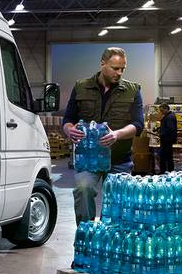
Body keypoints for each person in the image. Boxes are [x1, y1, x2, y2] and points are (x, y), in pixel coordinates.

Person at [61, 47, 143, 225]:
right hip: (89, 159)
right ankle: (86, 233)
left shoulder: (132, 90)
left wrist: (117, 134)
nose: (119, 73)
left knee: (119, 202)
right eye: (115, 68)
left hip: (119, 159)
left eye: (122, 69)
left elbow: (138, 124)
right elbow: (68, 119)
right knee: (83, 190)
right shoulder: (81, 87)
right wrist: (69, 130)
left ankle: (112, 236)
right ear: (103, 64)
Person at [159, 103, 177, 174]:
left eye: (162, 110)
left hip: (167, 140)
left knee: (164, 157)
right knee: (168, 157)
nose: (161, 112)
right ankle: (169, 171)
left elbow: (170, 129)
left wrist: (162, 134)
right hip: (168, 140)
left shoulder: (169, 117)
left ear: (166, 108)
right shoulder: (169, 116)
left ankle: (164, 172)